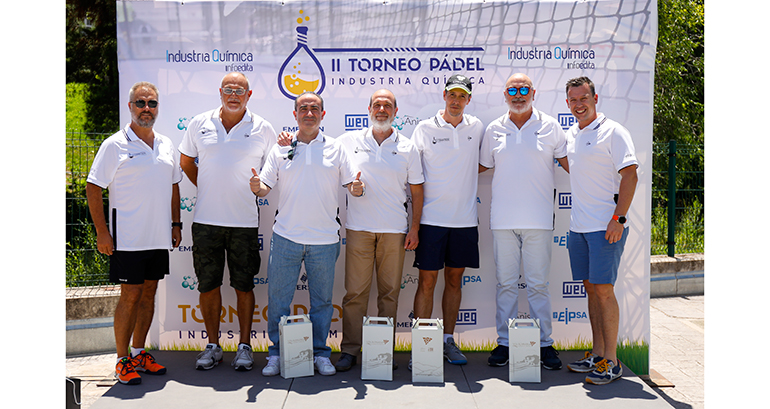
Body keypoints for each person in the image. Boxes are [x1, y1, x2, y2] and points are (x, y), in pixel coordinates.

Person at [251, 91, 363, 377]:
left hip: (325, 240)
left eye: (315, 109)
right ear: (295, 114)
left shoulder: (337, 148)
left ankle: (320, 353)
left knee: (323, 302)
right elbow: (265, 186)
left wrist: (357, 189)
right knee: (278, 301)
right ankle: (276, 354)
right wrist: (256, 187)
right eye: (304, 108)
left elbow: (352, 183)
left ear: (323, 115)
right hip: (286, 237)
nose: (309, 113)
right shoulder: (281, 148)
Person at [178, 72, 277, 372]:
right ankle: (213, 346)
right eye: (229, 89)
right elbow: (185, 162)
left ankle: (244, 347)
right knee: (208, 285)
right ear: (220, 92)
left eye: (240, 90)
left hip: (245, 222)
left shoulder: (263, 128)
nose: (234, 95)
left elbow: (273, 170)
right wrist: (207, 187)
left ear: (249, 95)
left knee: (244, 285)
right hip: (206, 221)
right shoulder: (199, 124)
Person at [86, 81, 182, 385]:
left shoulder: (166, 144)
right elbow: (92, 186)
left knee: (149, 292)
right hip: (126, 238)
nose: (146, 109)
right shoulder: (115, 144)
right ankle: (121, 359)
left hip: (157, 237)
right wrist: (103, 232)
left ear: (157, 108)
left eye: (152, 104)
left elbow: (174, 185)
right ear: (130, 107)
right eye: (140, 103)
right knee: (130, 295)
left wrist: (176, 225)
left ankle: (140, 352)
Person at [479, 73, 569, 370]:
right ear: (505, 94)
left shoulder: (551, 126)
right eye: (512, 90)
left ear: (534, 92)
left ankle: (545, 345)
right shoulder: (494, 129)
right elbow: (477, 167)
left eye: (524, 89)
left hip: (539, 220)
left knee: (538, 286)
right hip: (502, 220)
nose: (518, 95)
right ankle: (504, 343)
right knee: (505, 285)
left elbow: (574, 166)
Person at [334, 89, 425, 372]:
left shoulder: (409, 147)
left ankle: (382, 352)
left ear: (396, 112)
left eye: (387, 105)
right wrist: (352, 186)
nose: (382, 109)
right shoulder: (348, 141)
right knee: (355, 294)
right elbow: (320, 150)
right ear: (369, 109)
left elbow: (417, 191)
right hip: (359, 229)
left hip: (394, 231)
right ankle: (349, 350)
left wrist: (414, 228)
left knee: (389, 294)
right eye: (377, 105)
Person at [563, 76, 639, 385]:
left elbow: (631, 176)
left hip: (606, 227)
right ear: (567, 104)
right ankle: (597, 355)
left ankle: (613, 361)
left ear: (596, 98)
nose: (578, 104)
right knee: (591, 290)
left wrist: (618, 219)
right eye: (573, 100)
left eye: (583, 98)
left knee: (604, 291)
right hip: (578, 227)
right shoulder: (571, 134)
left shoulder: (614, 132)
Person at [410, 74, 485, 367]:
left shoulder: (476, 126)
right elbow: (413, 171)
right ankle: (422, 346)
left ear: (468, 100)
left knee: (454, 280)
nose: (456, 101)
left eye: (462, 96)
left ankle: (447, 341)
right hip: (431, 221)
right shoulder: (425, 127)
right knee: (427, 282)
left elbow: (483, 162)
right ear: (444, 95)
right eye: (452, 95)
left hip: (465, 221)